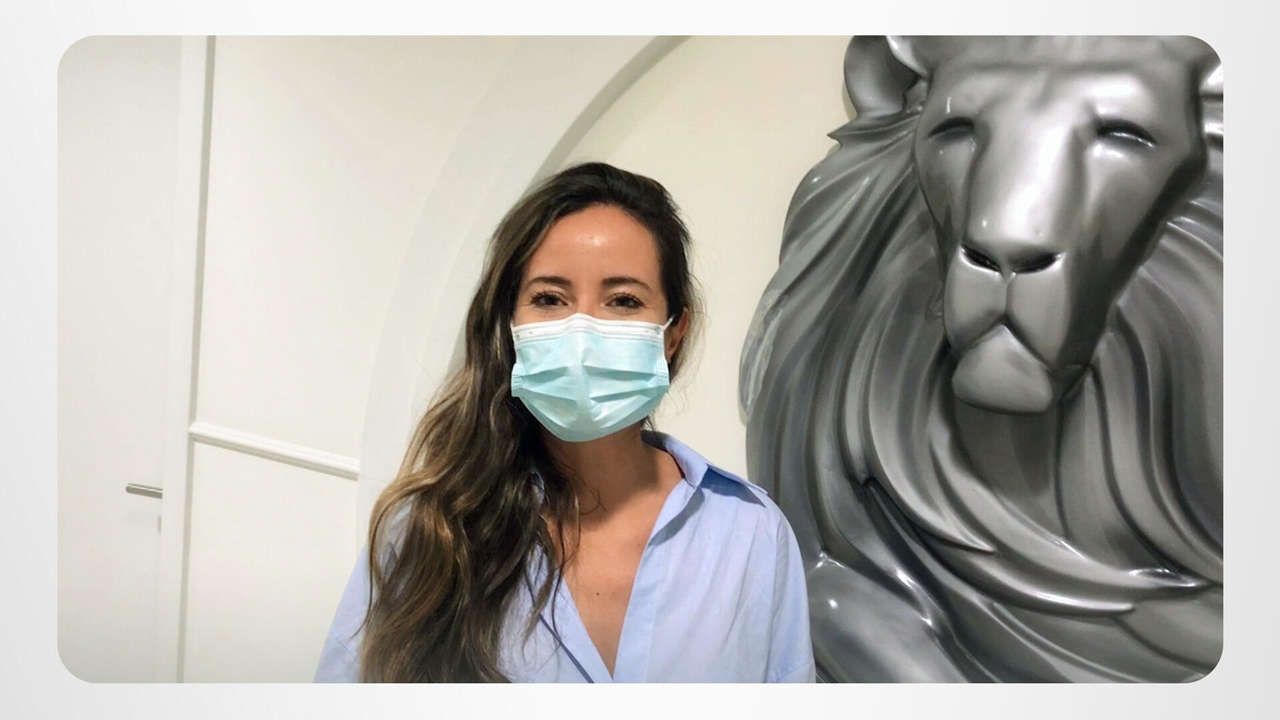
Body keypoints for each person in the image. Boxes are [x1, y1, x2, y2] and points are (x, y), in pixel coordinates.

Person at [314, 162, 814, 682]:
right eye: (549, 299)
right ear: (510, 324)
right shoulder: (428, 530)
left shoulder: (750, 535)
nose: (582, 332)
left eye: (623, 301)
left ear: (672, 334)